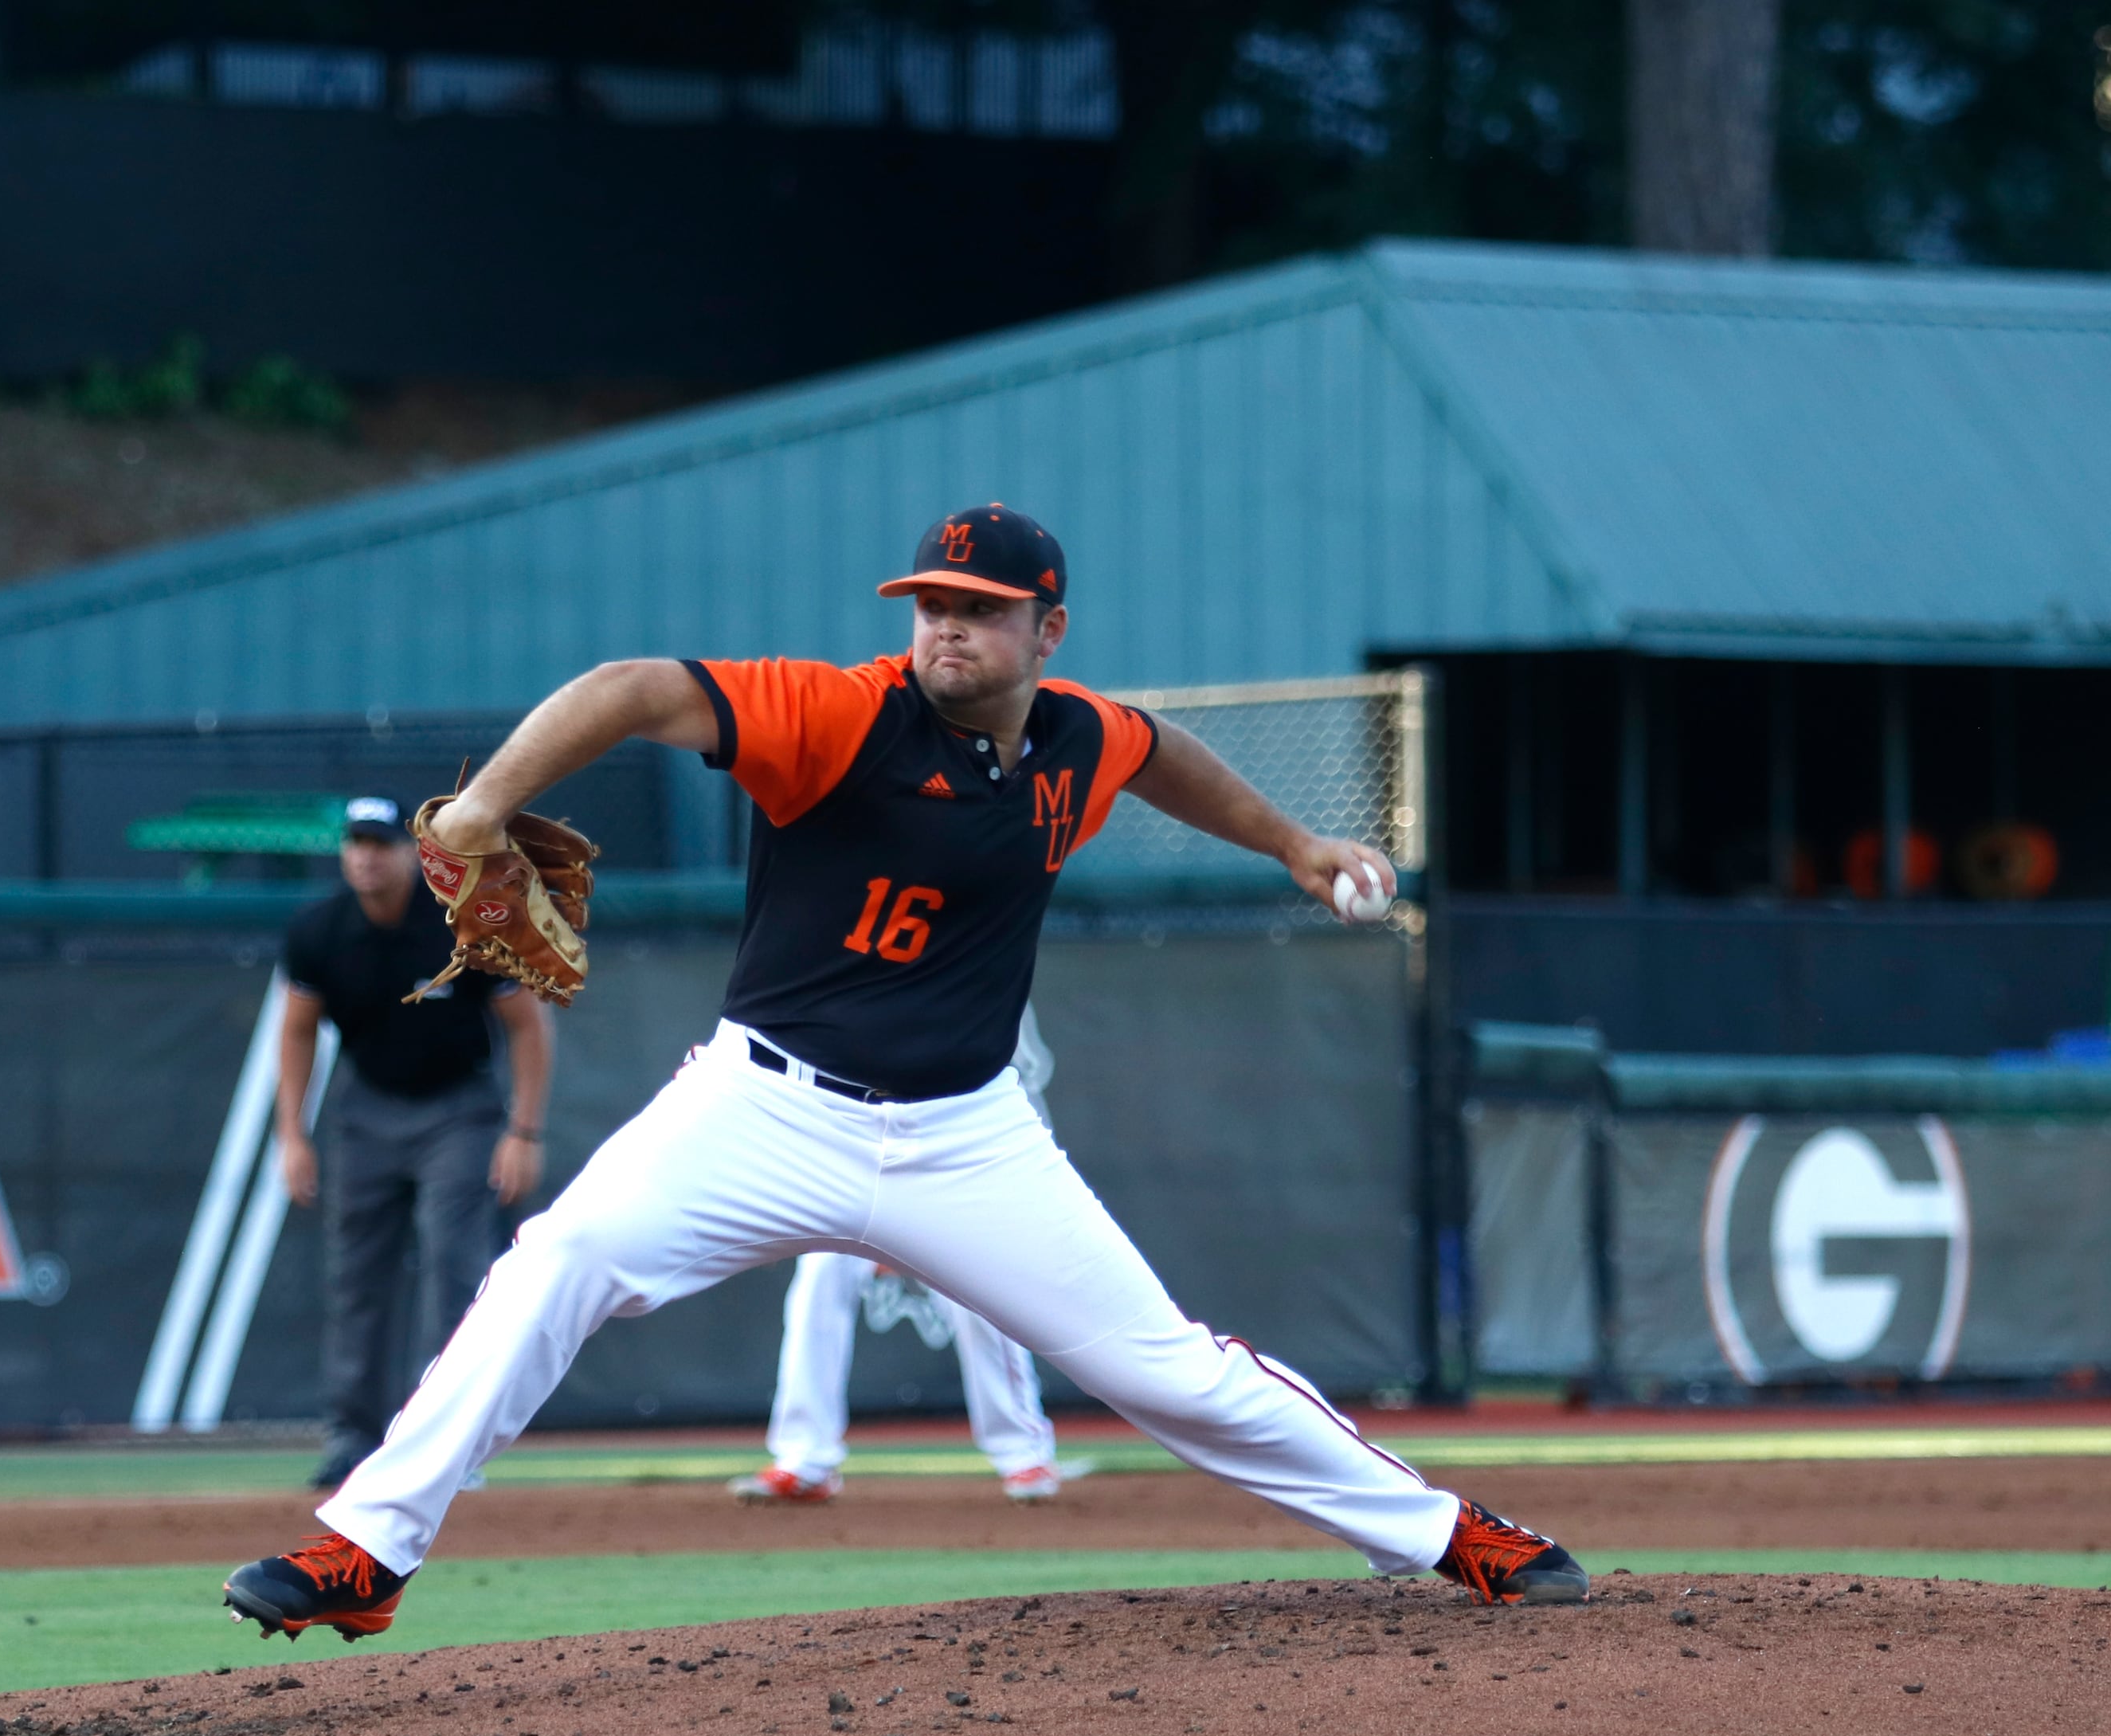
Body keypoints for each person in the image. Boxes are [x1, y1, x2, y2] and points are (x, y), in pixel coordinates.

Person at [224, 505, 1584, 1641]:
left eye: (982, 608)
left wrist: (1293, 845)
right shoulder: (835, 715)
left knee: (1168, 1369)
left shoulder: (1077, 738)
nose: (946, 625)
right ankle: (368, 1553)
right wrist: (477, 803)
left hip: (968, 1137)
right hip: (760, 1105)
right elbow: (637, 687)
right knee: (553, 1265)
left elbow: (1161, 757)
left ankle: (1442, 1531)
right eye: (932, 600)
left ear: (1047, 634)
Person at [278, 796, 556, 1490]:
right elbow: (297, 1028)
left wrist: (523, 1130)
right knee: (355, 1278)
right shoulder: (320, 930)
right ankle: (352, 1438)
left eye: (380, 841)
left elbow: (528, 1026)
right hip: (366, 1110)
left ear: (414, 852)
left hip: (457, 1110)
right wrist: (291, 1134)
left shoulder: (461, 921)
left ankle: (447, 1440)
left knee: (454, 1267)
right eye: (354, 842)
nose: (366, 855)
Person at [731, 1004, 1066, 1506]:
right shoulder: (843, 974)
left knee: (983, 1299)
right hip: (853, 1153)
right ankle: (804, 1459)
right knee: (818, 1282)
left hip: (955, 1153)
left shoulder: (981, 969)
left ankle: (1023, 1452)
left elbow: (1018, 1079)